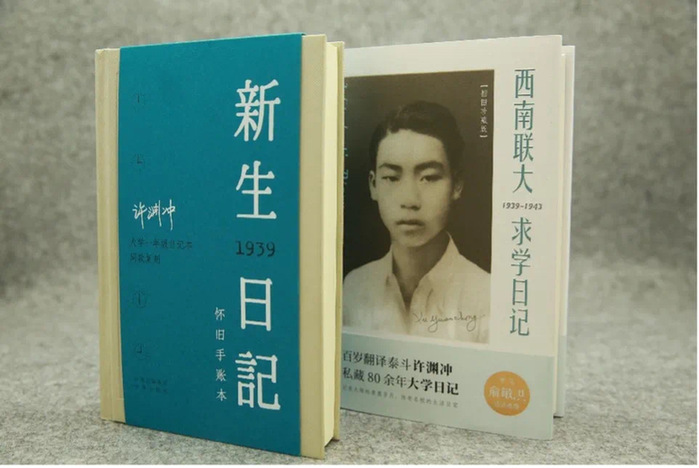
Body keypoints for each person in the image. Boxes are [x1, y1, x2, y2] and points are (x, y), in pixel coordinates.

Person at [343, 101, 490, 343]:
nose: (409, 200)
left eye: (428, 177)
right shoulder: (354, 287)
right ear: (373, 185)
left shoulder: (487, 295)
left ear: (456, 185)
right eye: (391, 178)